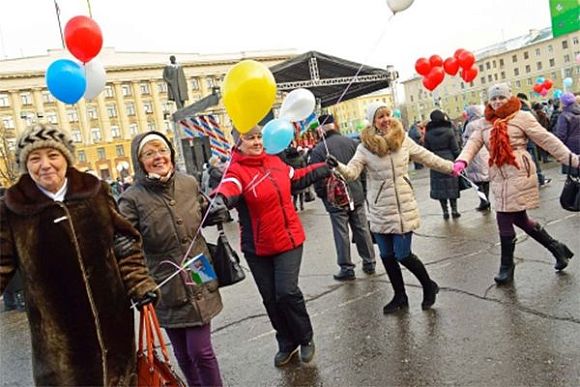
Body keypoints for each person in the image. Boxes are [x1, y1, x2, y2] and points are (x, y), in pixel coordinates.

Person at [0, 124, 158, 385]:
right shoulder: (13, 209)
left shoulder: (95, 192)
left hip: (113, 327)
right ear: (25, 164)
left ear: (66, 158)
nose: (45, 165)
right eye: (35, 158)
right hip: (59, 341)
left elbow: (123, 242)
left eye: (53, 155)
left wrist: (140, 283)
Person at [212, 126, 330, 367]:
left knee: (286, 292)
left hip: (289, 239)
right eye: (250, 138)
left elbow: (297, 177)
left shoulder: (275, 162)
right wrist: (220, 199)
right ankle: (286, 342)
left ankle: (305, 337)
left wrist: (324, 167)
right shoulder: (236, 170)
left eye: (258, 137)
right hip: (257, 247)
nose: (256, 142)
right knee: (270, 299)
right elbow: (229, 187)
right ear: (239, 144)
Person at [118, 131, 227, 387]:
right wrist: (136, 282)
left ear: (171, 153)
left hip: (199, 267)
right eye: (150, 153)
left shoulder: (188, 182)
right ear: (139, 161)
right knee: (182, 353)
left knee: (201, 350)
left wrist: (214, 213)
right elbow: (124, 241)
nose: (158, 157)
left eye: (162, 150)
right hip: (162, 278)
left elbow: (202, 208)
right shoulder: (131, 198)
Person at [328, 102, 453, 314]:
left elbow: (427, 157)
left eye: (387, 115)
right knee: (386, 255)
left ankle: (428, 285)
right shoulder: (364, 147)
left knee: (403, 254)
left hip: (403, 207)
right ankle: (400, 296)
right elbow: (351, 173)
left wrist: (452, 167)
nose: (385, 119)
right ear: (373, 121)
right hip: (379, 209)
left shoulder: (403, 139)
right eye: (380, 117)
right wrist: (337, 166)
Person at [453, 83, 579, 285]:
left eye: (501, 97)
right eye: (493, 99)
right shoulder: (484, 123)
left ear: (509, 97)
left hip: (518, 170)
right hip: (498, 174)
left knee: (503, 216)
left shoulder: (522, 117)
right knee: (520, 219)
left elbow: (546, 139)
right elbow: (472, 143)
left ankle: (506, 267)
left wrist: (571, 159)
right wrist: (462, 161)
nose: (497, 102)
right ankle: (558, 249)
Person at [308, 114, 376, 280]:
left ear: (321, 130)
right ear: (335, 126)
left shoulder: (318, 150)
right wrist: (363, 190)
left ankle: (346, 268)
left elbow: (316, 176)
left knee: (341, 232)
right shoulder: (352, 143)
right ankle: (370, 262)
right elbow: (362, 170)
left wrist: (322, 195)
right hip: (356, 192)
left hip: (335, 197)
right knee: (362, 228)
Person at [423, 109, 462, 219]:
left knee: (440, 187)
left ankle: (445, 211)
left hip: (435, 161)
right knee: (452, 186)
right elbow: (455, 148)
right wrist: (458, 159)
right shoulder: (449, 131)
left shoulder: (428, 133)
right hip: (449, 160)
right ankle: (454, 210)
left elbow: (426, 150)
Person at [517, 93, 551, 187]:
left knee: (528, 162)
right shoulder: (527, 111)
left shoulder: (519, 112)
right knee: (534, 161)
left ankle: (535, 179)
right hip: (529, 141)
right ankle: (539, 179)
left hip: (524, 142)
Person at [462, 105, 491, 211]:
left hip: (475, 155)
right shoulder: (484, 122)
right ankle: (486, 199)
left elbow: (467, 141)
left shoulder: (470, 126)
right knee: (485, 178)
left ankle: (483, 201)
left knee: (477, 180)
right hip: (485, 153)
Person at [553, 92, 580, 177]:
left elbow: (561, 135)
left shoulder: (563, 116)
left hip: (571, 148)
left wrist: (558, 152)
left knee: (574, 177)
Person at [280, 146, 307, 211]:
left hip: (292, 178)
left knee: (295, 194)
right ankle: (301, 205)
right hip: (300, 177)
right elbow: (304, 167)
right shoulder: (300, 159)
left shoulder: (287, 160)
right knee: (301, 193)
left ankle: (294, 205)